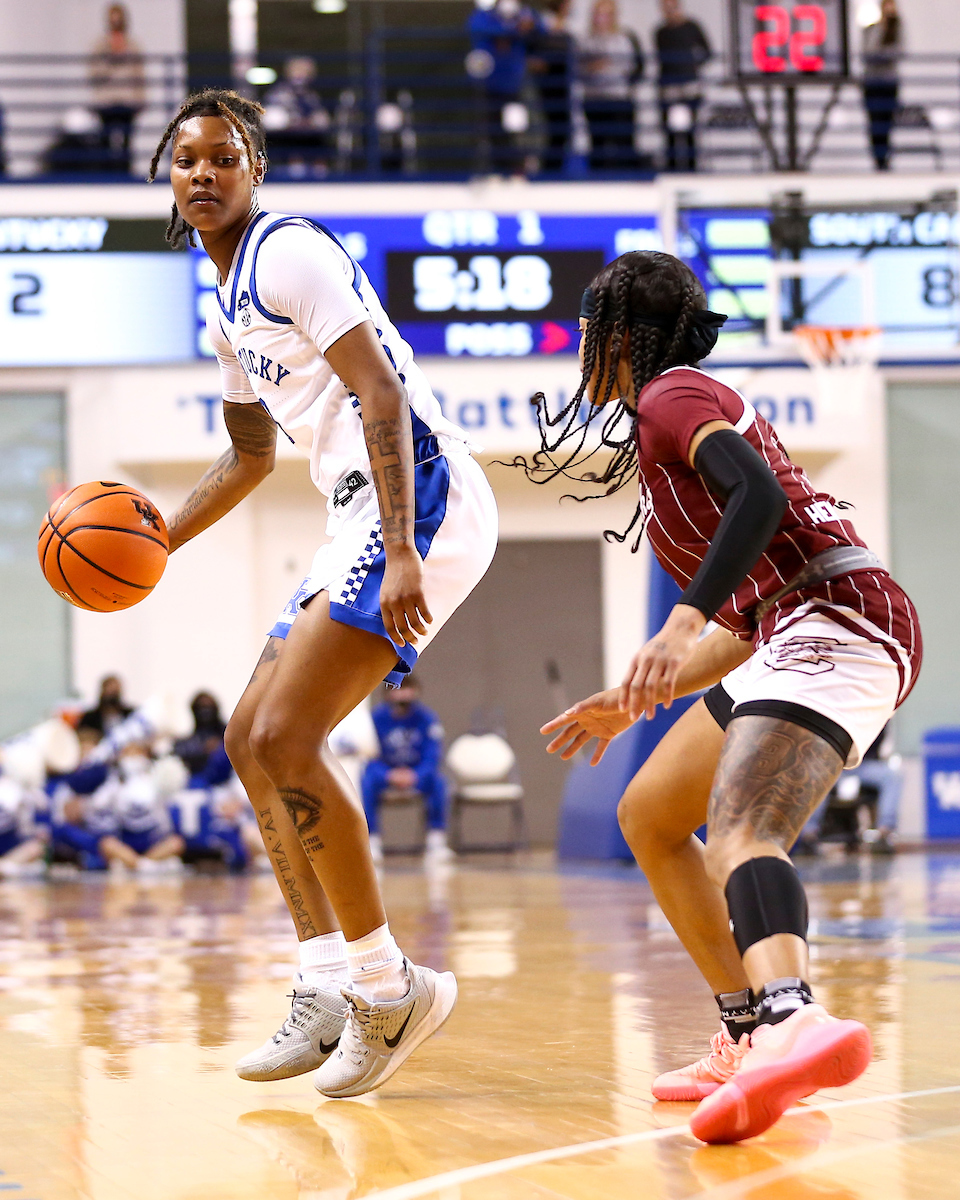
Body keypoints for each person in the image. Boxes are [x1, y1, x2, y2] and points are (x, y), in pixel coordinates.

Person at [146, 90, 498, 1096]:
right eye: (187, 160)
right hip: (352, 512)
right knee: (248, 739)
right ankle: (326, 980)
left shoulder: (288, 252)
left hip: (417, 494)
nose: (205, 173)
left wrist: (402, 550)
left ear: (254, 169)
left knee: (288, 736)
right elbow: (250, 456)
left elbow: (381, 391)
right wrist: (159, 540)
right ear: (170, 179)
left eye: (224, 156)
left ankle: (391, 989)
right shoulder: (224, 306)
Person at [534, 250, 921, 1143]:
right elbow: (748, 625)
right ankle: (750, 1035)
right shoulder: (674, 411)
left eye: (589, 331)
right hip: (789, 626)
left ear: (618, 338)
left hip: (840, 619)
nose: (583, 348)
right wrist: (633, 697)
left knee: (742, 828)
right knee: (651, 814)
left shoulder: (671, 395)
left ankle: (793, 1017)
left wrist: (680, 621)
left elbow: (757, 497)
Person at [361, 675, 451, 863]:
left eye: (407, 688)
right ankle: (372, 838)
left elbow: (433, 755)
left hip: (416, 774)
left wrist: (415, 774)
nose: (402, 694)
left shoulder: (426, 718)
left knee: (439, 782)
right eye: (398, 689)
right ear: (388, 693)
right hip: (387, 774)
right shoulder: (376, 718)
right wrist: (389, 774)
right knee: (367, 780)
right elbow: (369, 756)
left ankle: (436, 840)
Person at [467, 0, 539, 176]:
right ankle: (497, 171)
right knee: (492, 131)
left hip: (515, 87)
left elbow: (539, 26)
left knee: (515, 129)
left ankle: (518, 168)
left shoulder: (524, 13)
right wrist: (511, 30)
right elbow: (474, 26)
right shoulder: (485, 15)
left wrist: (526, 27)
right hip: (489, 87)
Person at [578, 0, 644, 174]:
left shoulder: (623, 39)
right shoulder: (585, 41)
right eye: (599, 14)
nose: (602, 18)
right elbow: (577, 69)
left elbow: (630, 67)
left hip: (618, 99)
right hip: (594, 99)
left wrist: (608, 66)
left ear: (613, 16)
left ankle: (628, 181)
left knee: (623, 144)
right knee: (598, 145)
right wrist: (592, 67)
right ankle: (598, 182)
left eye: (606, 14)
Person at [88, 3, 146, 176]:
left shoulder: (133, 45)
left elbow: (139, 75)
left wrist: (141, 98)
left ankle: (126, 173)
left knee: (127, 140)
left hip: (127, 100)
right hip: (106, 100)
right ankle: (106, 174)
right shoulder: (100, 45)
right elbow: (94, 73)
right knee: (105, 140)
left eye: (119, 19)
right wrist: (110, 58)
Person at [654, 0, 710, 172]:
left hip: (688, 86)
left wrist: (691, 66)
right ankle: (672, 168)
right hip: (669, 87)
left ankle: (691, 168)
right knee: (670, 131)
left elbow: (707, 51)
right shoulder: (660, 32)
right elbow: (661, 58)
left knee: (690, 131)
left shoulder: (692, 27)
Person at [263, 56, 331, 178]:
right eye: (298, 71)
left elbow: (319, 116)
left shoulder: (310, 95)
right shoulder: (279, 93)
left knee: (317, 139)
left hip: (308, 135)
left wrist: (311, 121)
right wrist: (294, 121)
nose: (301, 75)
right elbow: (273, 116)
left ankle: (318, 168)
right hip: (286, 136)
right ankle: (295, 165)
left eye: (305, 72)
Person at [528, 0, 574, 175]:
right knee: (547, 131)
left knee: (562, 131)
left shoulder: (567, 26)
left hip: (562, 86)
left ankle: (556, 172)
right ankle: (546, 173)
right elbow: (533, 54)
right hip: (545, 87)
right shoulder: (541, 23)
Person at [862, 0, 902, 171]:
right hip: (872, 83)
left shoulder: (898, 29)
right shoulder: (871, 28)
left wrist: (882, 54)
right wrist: (881, 29)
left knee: (887, 122)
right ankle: (877, 160)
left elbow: (899, 52)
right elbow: (868, 52)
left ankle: (885, 158)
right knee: (874, 122)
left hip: (889, 83)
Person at [173, 691, 227, 780]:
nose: (205, 712)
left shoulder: (227, 736)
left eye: (208, 708)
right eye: (201, 708)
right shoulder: (190, 741)